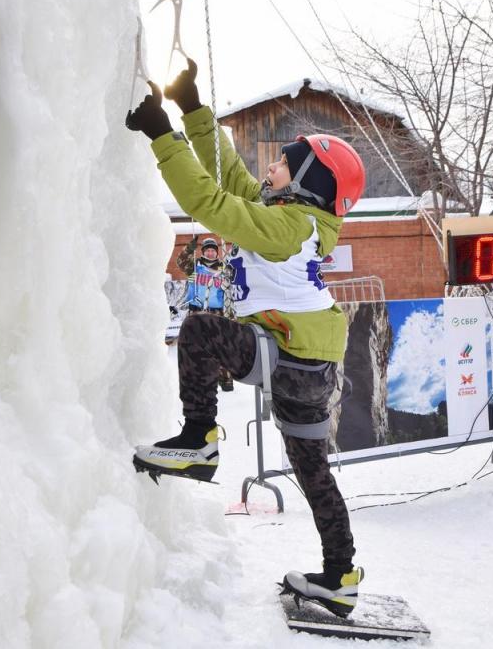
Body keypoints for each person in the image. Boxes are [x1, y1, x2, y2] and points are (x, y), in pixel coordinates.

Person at [126, 59, 366, 618]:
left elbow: (210, 202)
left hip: (289, 355)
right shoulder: (288, 215)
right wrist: (192, 109)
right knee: (312, 470)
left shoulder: (288, 226)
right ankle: (340, 575)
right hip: (306, 361)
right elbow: (228, 176)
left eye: (285, 163)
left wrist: (161, 135)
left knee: (201, 330)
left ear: (310, 182)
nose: (272, 165)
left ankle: (199, 437)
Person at [177, 234, 235, 390]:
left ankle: (225, 379)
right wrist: (190, 248)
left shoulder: (224, 269)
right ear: (203, 252)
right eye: (207, 250)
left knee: (221, 346)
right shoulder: (194, 267)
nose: (210, 253)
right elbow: (180, 261)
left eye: (213, 250)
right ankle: (198, 379)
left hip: (218, 314)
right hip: (196, 313)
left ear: (217, 252)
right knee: (197, 348)